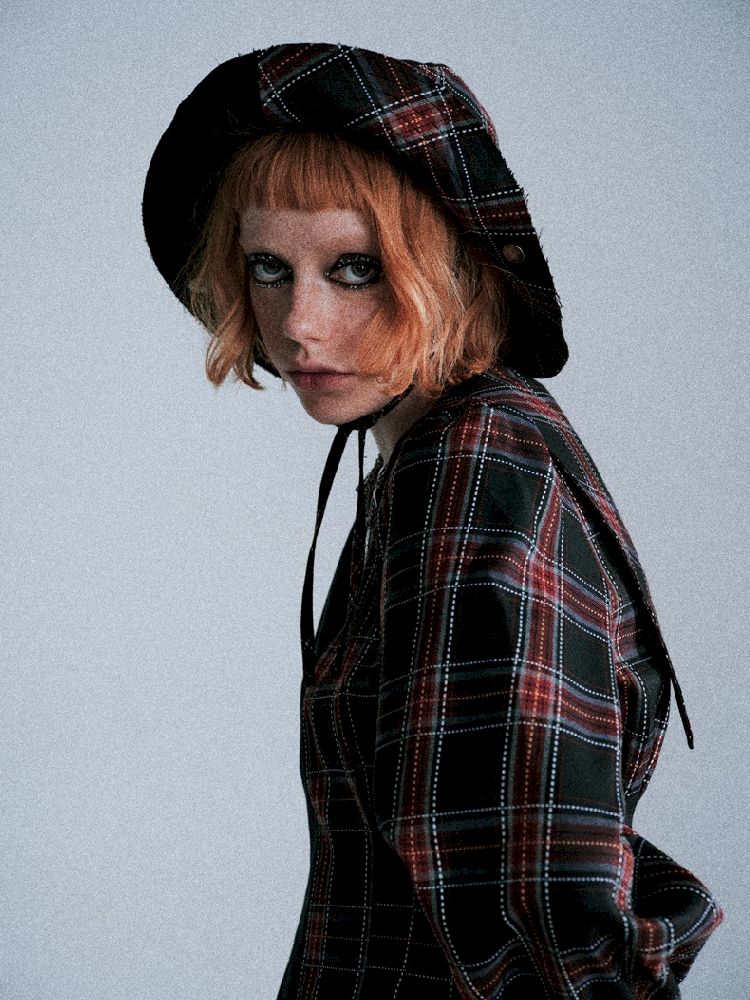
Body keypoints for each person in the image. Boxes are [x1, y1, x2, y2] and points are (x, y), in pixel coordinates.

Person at [142, 42, 723, 999]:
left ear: (446, 267)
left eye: (355, 268)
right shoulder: (444, 449)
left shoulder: (472, 464)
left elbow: (546, 906)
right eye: (269, 267)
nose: (300, 324)